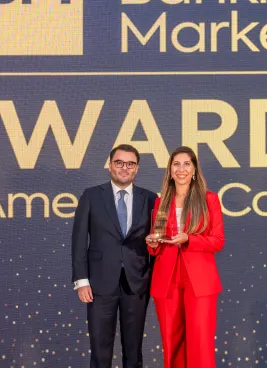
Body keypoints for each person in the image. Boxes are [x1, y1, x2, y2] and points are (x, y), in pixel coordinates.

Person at [71, 144, 159, 368]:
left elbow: (157, 243)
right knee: (100, 353)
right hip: (99, 284)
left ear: (137, 168)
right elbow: (79, 241)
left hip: (137, 283)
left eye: (130, 164)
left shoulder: (150, 199)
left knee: (134, 351)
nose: (124, 168)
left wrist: (154, 279)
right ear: (110, 165)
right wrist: (82, 281)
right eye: (119, 163)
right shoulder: (91, 196)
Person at [145, 146, 225, 368]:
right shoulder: (161, 203)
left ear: (194, 170)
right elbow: (158, 241)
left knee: (200, 342)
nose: (181, 169)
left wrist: (189, 239)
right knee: (171, 341)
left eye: (186, 164)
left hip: (199, 280)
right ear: (170, 170)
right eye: (176, 164)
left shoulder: (209, 200)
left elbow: (218, 241)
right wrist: (153, 243)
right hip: (167, 279)